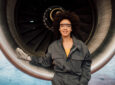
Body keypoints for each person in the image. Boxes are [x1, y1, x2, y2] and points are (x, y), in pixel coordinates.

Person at [17, 11, 92, 85]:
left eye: (68, 26)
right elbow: (45, 62)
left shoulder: (81, 47)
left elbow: (86, 68)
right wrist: (27, 57)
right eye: (62, 26)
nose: (65, 28)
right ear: (59, 28)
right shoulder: (53, 47)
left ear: (71, 28)